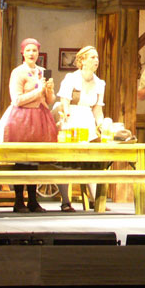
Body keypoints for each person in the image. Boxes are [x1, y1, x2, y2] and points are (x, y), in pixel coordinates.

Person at [0, 37, 57, 213]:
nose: (32, 53)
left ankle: (32, 200)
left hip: (41, 117)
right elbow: (16, 99)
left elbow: (50, 101)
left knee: (34, 160)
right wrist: (38, 91)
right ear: (22, 52)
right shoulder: (18, 72)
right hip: (22, 118)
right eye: (28, 50)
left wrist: (49, 89)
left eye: (35, 50)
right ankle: (18, 201)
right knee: (21, 159)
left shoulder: (44, 71)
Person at [55, 45, 107, 212]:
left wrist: (102, 125)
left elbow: (97, 109)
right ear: (82, 60)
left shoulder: (99, 83)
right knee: (66, 162)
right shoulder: (71, 78)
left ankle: (94, 199)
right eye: (92, 57)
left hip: (88, 121)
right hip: (72, 119)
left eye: (97, 57)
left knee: (91, 161)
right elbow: (65, 103)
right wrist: (66, 122)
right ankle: (65, 201)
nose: (96, 61)